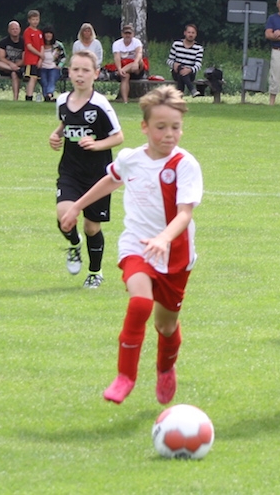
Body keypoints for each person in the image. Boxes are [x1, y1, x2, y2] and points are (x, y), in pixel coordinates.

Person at [59, 85, 203, 405]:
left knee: (166, 326)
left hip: (175, 254)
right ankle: (125, 376)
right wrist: (76, 206)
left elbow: (185, 214)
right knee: (140, 303)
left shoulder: (185, 165)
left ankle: (165, 369)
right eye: (161, 127)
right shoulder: (130, 159)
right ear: (144, 127)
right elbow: (112, 178)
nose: (169, 134)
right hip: (136, 246)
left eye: (176, 127)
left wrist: (164, 238)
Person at [49, 50, 124, 289]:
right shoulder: (62, 101)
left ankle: (95, 272)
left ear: (96, 73)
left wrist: (96, 144)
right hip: (70, 171)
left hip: (97, 176)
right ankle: (74, 245)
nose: (80, 75)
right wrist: (56, 135)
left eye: (85, 70)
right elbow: (65, 122)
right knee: (64, 216)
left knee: (92, 227)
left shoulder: (100, 104)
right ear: (69, 72)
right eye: (75, 70)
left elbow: (118, 137)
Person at [0, 21, 25, 101]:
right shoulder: (3, 42)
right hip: (6, 67)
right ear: (8, 30)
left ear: (20, 30)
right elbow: (1, 57)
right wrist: (11, 65)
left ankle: (15, 99)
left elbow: (24, 59)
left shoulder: (24, 42)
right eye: (13, 29)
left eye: (16, 29)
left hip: (19, 67)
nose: (15, 30)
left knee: (14, 73)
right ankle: (14, 70)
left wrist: (16, 66)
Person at [166, 24, 204, 97]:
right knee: (180, 68)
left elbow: (198, 64)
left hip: (190, 74)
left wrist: (190, 70)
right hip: (176, 71)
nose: (191, 35)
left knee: (182, 73)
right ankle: (192, 89)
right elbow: (169, 60)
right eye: (189, 32)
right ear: (185, 33)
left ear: (196, 34)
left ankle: (179, 96)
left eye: (193, 33)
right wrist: (173, 64)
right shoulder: (176, 44)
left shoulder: (199, 48)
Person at [112, 23, 146, 103]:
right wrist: (119, 69)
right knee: (125, 76)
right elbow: (117, 57)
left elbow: (139, 53)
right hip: (123, 69)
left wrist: (135, 63)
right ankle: (125, 101)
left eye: (129, 33)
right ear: (122, 34)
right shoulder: (117, 44)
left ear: (133, 34)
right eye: (126, 33)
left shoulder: (137, 42)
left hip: (137, 69)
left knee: (140, 61)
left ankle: (118, 73)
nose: (127, 35)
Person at [40, 25, 65, 102]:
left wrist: (60, 65)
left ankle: (49, 95)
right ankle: (48, 97)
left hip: (54, 68)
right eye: (46, 33)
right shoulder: (40, 45)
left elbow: (63, 57)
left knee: (51, 79)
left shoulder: (58, 45)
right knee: (44, 81)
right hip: (42, 67)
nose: (48, 35)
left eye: (50, 33)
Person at [22, 10, 43, 101]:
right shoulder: (27, 32)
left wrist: (41, 58)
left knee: (35, 78)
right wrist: (40, 54)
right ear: (29, 20)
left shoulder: (39, 32)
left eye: (37, 19)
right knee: (31, 78)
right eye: (33, 19)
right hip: (30, 60)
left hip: (37, 60)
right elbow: (29, 46)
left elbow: (42, 46)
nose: (35, 21)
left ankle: (32, 95)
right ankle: (29, 97)